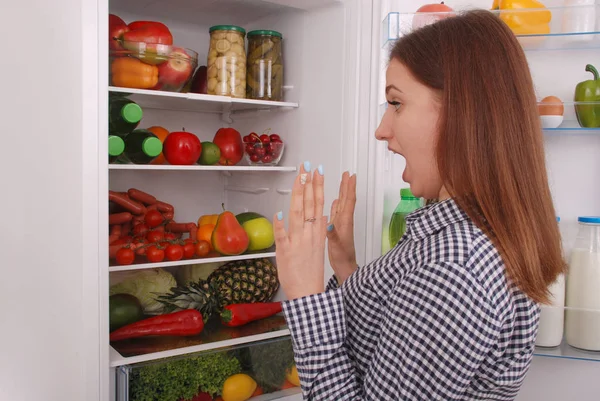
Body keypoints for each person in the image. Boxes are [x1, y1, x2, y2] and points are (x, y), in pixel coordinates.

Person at [271, 9, 566, 401]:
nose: (381, 130)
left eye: (396, 103)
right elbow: (390, 349)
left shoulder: (454, 270)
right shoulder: (458, 241)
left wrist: (306, 295)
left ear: (460, 112)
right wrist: (345, 266)